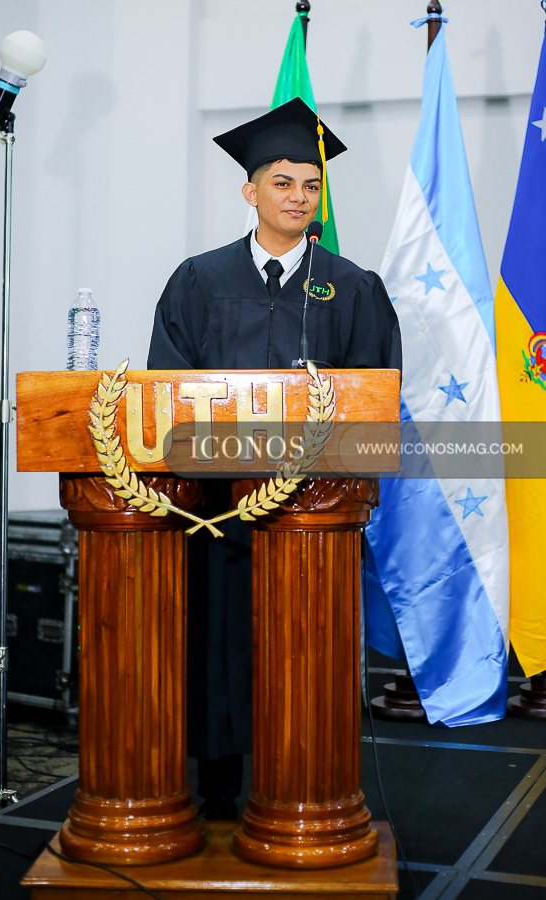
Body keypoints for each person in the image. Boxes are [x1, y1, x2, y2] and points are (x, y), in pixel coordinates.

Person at [147, 97, 401, 819]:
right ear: (250, 190)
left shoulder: (352, 286)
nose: (299, 197)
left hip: (313, 518)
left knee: (306, 654)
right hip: (219, 514)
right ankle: (220, 792)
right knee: (219, 647)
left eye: (311, 185)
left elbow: (375, 401)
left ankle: (306, 791)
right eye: (283, 182)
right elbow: (168, 392)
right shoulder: (198, 280)